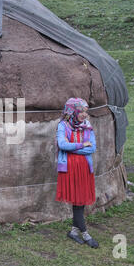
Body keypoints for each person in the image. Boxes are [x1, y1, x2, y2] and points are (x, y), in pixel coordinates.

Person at [55, 97, 99, 248]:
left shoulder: (87, 125)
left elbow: (92, 148)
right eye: (81, 111)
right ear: (72, 111)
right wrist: (81, 144)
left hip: (85, 168)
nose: (84, 115)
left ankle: (74, 232)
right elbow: (62, 144)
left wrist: (73, 148)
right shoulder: (63, 125)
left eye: (86, 111)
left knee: (81, 201)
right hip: (70, 169)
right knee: (77, 201)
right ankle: (86, 234)